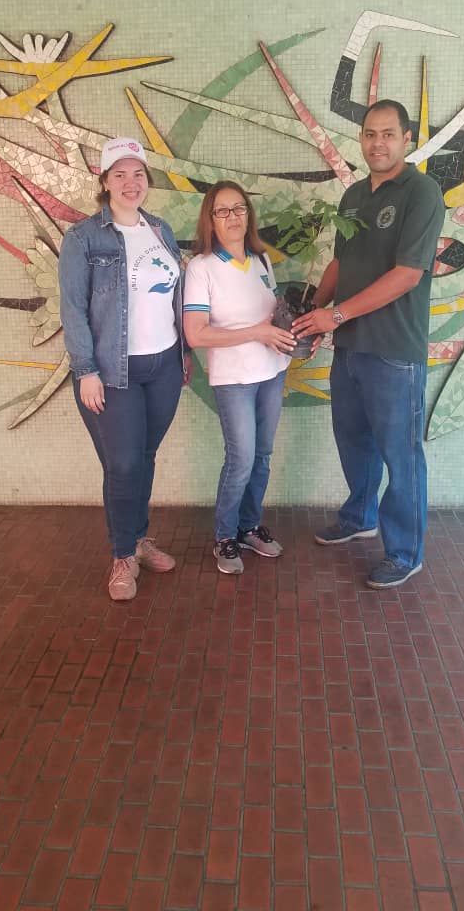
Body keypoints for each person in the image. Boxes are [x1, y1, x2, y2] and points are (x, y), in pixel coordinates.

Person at [293, 100, 445, 589]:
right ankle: (360, 517)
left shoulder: (422, 192)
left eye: (388, 134)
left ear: (406, 139)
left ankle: (404, 552)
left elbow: (408, 274)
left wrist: (335, 315)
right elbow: (342, 262)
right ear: (361, 139)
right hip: (351, 345)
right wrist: (313, 313)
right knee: (353, 439)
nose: (378, 143)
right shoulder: (354, 196)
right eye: (370, 134)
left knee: (401, 454)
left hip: (395, 349)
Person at [59, 137, 192, 601]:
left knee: (145, 456)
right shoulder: (83, 238)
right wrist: (86, 370)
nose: (130, 183)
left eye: (138, 174)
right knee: (123, 463)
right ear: (104, 182)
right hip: (113, 372)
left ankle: (138, 539)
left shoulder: (161, 230)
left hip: (164, 366)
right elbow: (73, 310)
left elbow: (174, 297)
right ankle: (121, 556)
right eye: (120, 174)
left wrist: (184, 354)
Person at [183, 181, 297, 575]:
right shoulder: (201, 268)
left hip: (273, 371)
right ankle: (224, 536)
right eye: (222, 211)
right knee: (242, 459)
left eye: (239, 208)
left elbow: (273, 314)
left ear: (248, 214)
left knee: (262, 456)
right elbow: (196, 334)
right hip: (234, 379)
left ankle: (249, 527)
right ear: (210, 220)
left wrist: (296, 333)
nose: (232, 217)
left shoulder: (261, 259)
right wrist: (256, 333)